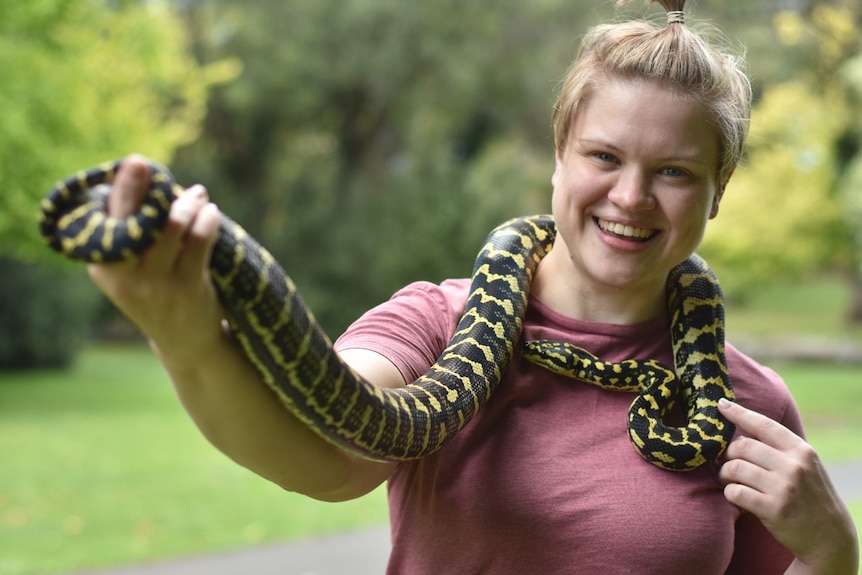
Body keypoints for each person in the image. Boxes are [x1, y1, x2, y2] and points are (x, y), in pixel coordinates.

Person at [88, 0, 858, 573]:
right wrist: (187, 339)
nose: (630, 196)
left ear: (718, 191)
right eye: (603, 157)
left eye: (674, 172)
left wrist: (833, 550)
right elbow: (330, 452)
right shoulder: (440, 322)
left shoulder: (744, 406)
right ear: (559, 157)